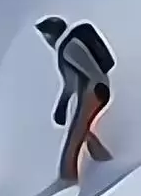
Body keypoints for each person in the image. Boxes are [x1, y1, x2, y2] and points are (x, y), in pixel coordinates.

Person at [36, 15, 116, 183]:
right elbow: (73, 82)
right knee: (82, 131)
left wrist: (64, 103)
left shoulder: (68, 48)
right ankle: (105, 161)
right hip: (94, 90)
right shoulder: (68, 47)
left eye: (45, 36)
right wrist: (63, 104)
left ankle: (67, 179)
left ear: (51, 35)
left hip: (94, 91)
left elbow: (86, 74)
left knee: (75, 136)